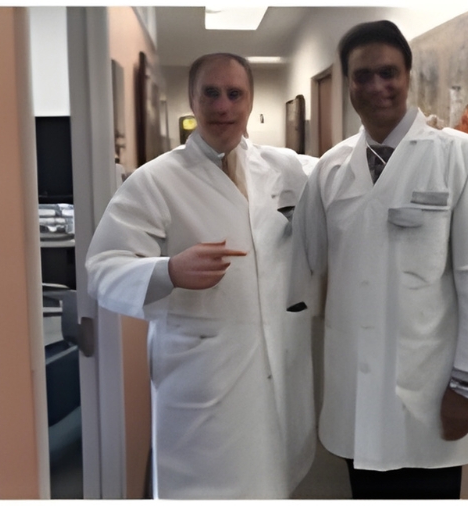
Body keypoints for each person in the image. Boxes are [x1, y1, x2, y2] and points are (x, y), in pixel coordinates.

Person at [86, 53, 316, 499]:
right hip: (201, 372)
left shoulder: (284, 167)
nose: (223, 106)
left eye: (235, 94)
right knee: (201, 487)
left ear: (250, 101)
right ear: (192, 100)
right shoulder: (155, 180)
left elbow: (344, 178)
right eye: (210, 93)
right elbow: (102, 269)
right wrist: (169, 270)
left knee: (272, 481)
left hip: (276, 365)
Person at [289, 20, 468, 499]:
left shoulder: (461, 157)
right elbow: (304, 257)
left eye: (388, 73)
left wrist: (467, 387)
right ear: (348, 83)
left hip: (429, 389)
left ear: (408, 76)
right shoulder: (330, 168)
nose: (376, 87)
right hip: (355, 389)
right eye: (362, 76)